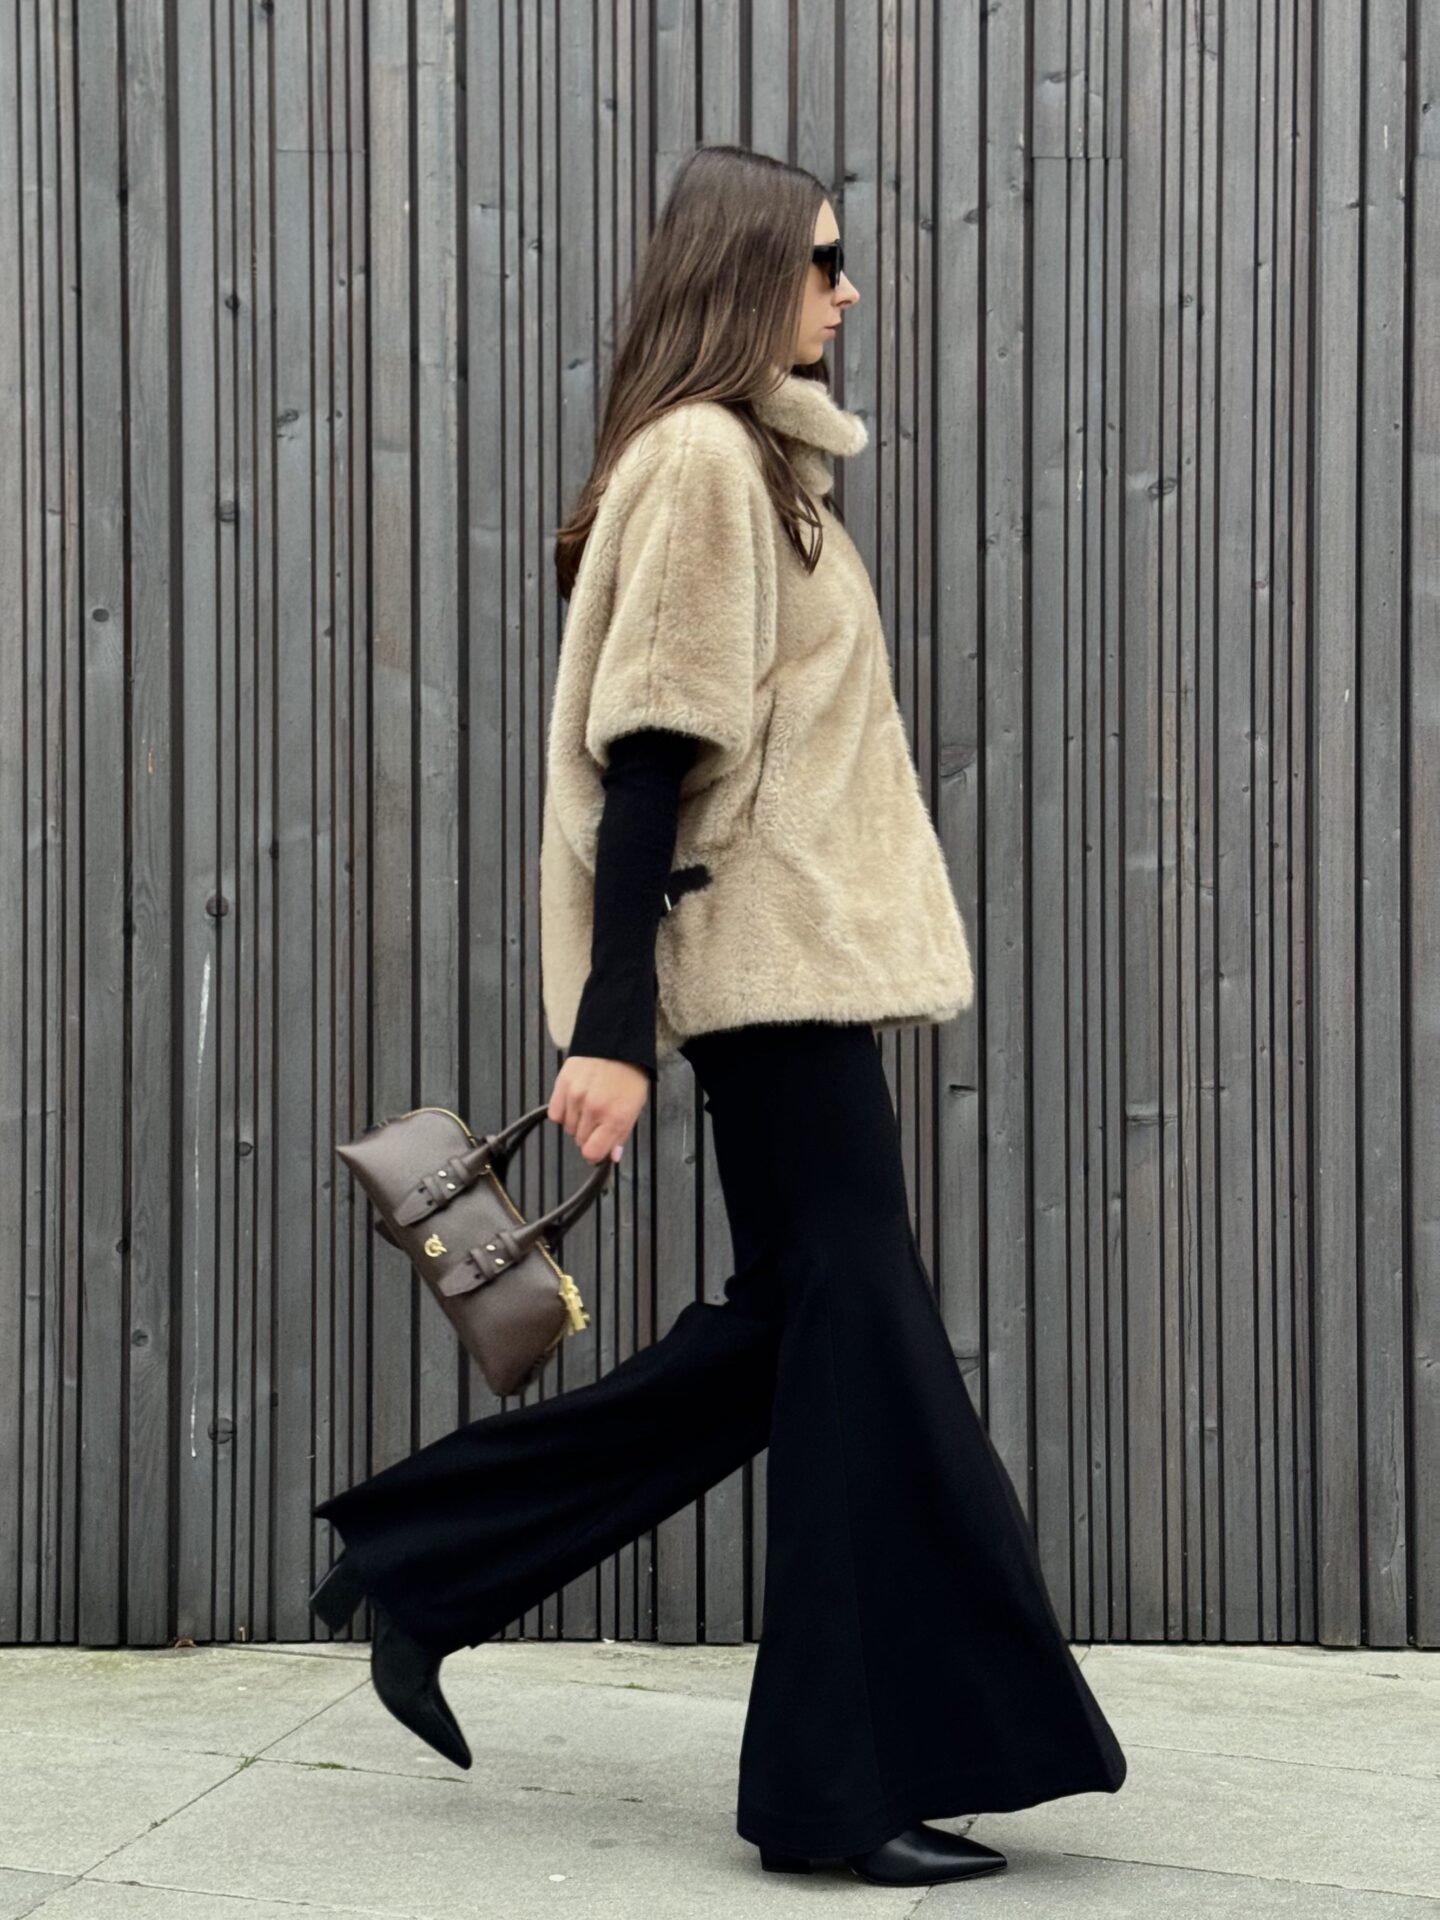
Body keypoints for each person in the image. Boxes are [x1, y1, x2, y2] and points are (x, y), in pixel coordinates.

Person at [310, 144, 1127, 1890]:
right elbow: (650, 759)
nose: (846, 291)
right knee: (861, 1340)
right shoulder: (699, 459)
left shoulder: (754, 463)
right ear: (750, 272)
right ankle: (828, 1792)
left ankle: (420, 1564)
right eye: (823, 262)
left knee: (804, 1332)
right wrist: (610, 1029)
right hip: (761, 972)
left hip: (794, 964)